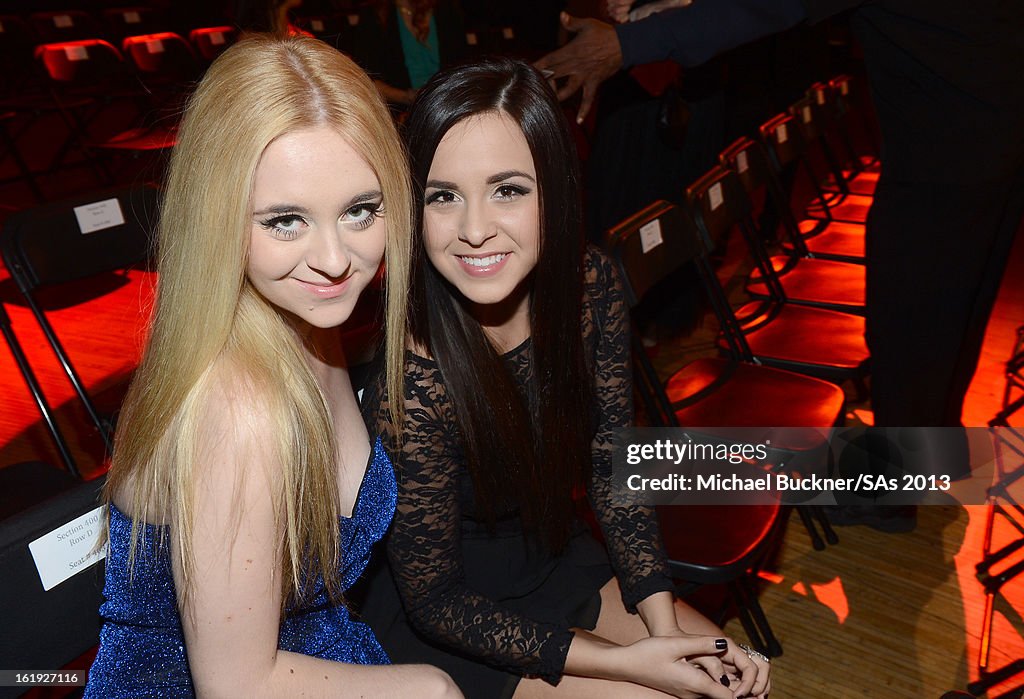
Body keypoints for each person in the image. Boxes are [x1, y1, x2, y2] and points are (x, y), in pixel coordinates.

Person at [358, 57, 771, 699]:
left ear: (552, 188)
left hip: (554, 555)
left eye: (508, 189)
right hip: (456, 617)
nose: (474, 229)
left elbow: (612, 464)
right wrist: (634, 664)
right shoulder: (411, 375)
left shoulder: (591, 286)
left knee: (721, 685)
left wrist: (664, 635)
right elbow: (434, 601)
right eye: (443, 196)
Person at [84, 35, 460, 698]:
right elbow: (235, 683)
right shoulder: (240, 410)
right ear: (220, 218)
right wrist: (430, 687)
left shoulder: (305, 316)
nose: (335, 257)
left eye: (359, 210)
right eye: (286, 220)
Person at [537, 2, 1024, 479]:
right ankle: (940, 450)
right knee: (955, 310)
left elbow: (767, 7)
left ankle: (892, 487)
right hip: (988, 135)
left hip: (951, 153)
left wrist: (624, 45)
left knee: (915, 319)